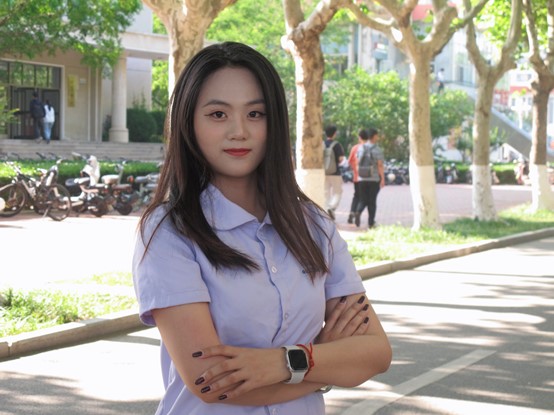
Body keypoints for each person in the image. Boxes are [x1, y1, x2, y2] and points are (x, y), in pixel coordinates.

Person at [132, 42, 391, 415]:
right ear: (188, 123)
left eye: (255, 114)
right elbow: (211, 382)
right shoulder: (168, 232)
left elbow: (376, 353)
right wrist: (323, 359)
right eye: (218, 114)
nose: (239, 131)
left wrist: (281, 363)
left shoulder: (314, 225)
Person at [354, 128, 385, 228]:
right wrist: (382, 178)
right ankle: (371, 223)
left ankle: (358, 212)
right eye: (377, 135)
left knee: (363, 200)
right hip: (374, 179)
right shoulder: (377, 149)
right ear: (374, 136)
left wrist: (359, 175)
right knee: (372, 201)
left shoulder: (360, 148)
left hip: (362, 178)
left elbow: (357, 162)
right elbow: (380, 165)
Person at [323, 124, 345, 220]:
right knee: (337, 192)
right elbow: (340, 159)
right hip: (335, 173)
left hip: (324, 173)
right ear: (334, 133)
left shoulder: (322, 144)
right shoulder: (337, 145)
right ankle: (331, 207)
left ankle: (327, 211)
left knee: (326, 192)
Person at [347, 129, 367, 224]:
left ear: (359, 137)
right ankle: (357, 213)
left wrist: (355, 169)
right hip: (367, 178)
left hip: (356, 177)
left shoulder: (355, 148)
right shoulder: (369, 148)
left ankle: (352, 212)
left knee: (356, 196)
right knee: (363, 197)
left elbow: (350, 161)